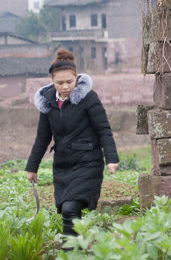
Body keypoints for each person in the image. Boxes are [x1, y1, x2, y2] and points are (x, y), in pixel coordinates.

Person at [25, 49, 119, 239]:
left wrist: (111, 158)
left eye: (70, 81)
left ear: (77, 78)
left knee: (70, 208)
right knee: (67, 210)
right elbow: (42, 138)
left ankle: (69, 255)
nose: (65, 86)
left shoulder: (88, 98)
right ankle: (76, 254)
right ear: (52, 81)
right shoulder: (48, 103)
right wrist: (32, 167)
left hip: (88, 162)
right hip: (63, 165)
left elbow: (103, 129)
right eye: (60, 83)